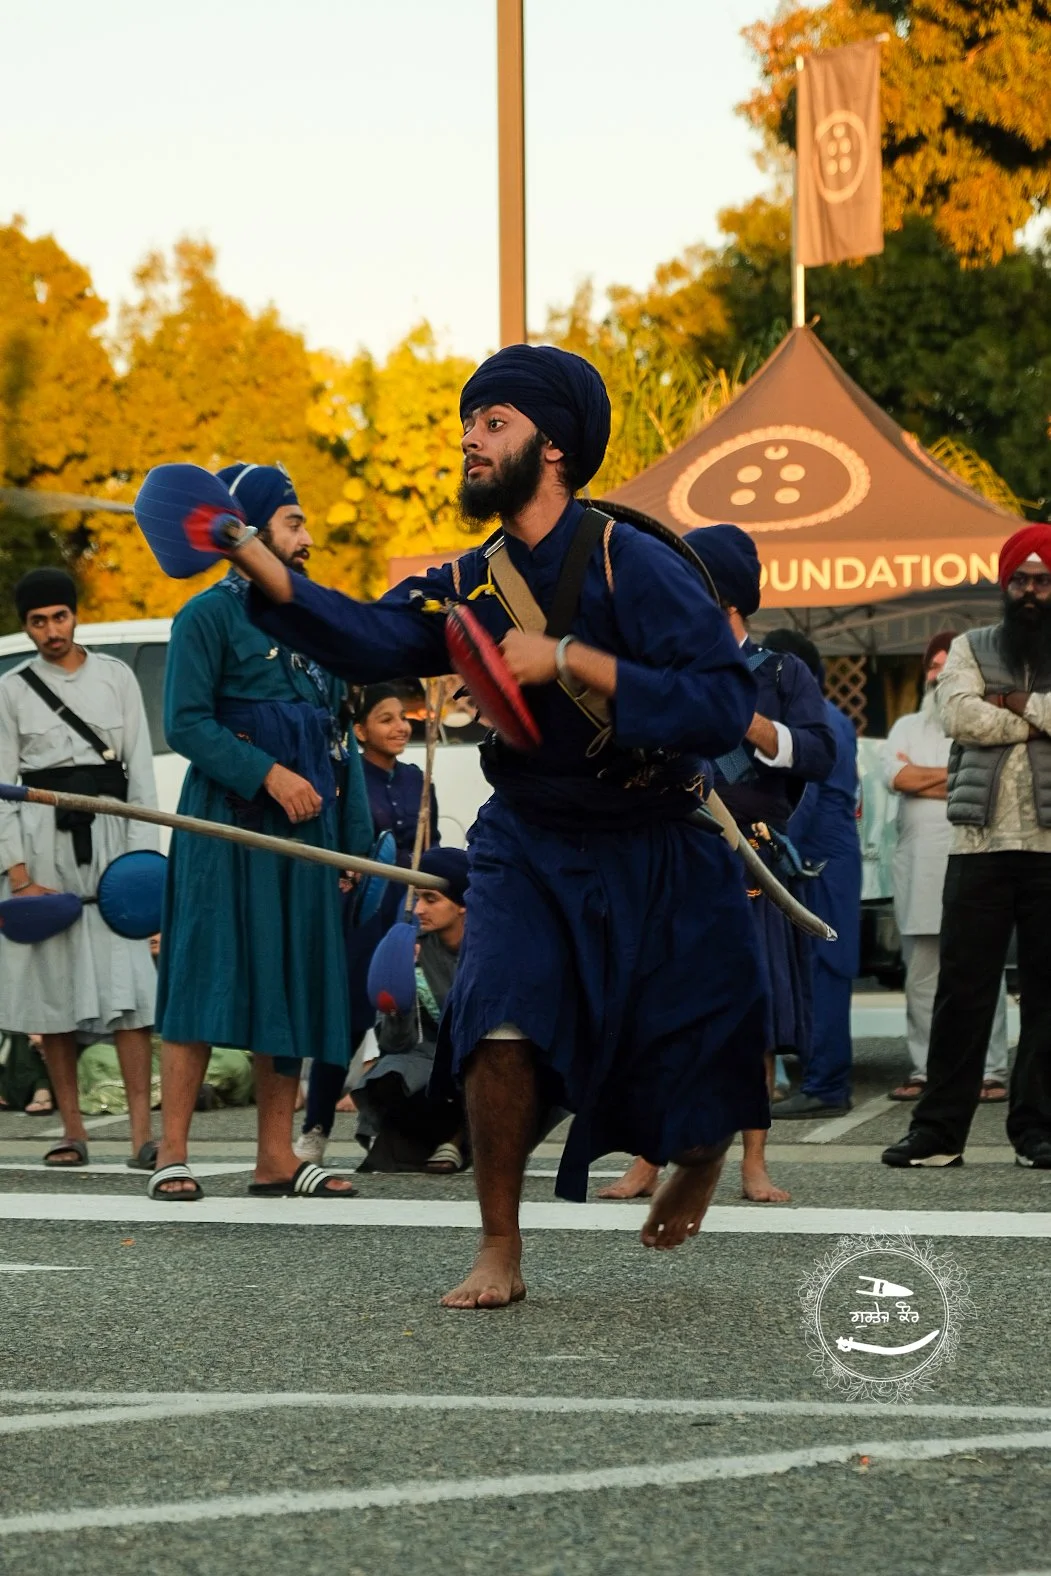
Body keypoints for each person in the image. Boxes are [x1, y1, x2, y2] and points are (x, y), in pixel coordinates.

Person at [231, 343, 771, 1308]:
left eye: (494, 424)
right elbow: (366, 634)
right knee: (495, 1025)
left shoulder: (633, 561)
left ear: (552, 448)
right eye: (468, 424)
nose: (469, 441)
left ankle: (696, 1154)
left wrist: (573, 660)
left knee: (695, 1050)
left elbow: (723, 707)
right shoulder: (465, 580)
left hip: (654, 829)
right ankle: (499, 1246)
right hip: (529, 834)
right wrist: (256, 564)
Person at [149, 463, 372, 1201]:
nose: (307, 540)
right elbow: (185, 722)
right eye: (294, 522)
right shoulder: (205, 617)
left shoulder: (317, 621)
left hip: (308, 840)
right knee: (203, 976)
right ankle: (171, 1154)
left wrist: (353, 841)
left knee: (292, 981)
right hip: (228, 830)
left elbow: (342, 740)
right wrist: (267, 774)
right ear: (246, 529)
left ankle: (276, 1156)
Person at [599, 533, 836, 1206]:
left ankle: (752, 1166)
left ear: (718, 596)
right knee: (654, 1017)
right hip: (669, 857)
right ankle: (647, 1162)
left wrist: (748, 722)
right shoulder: (655, 670)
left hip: (752, 863)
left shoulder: (783, 674)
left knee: (750, 1026)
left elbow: (818, 755)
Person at [882, 526, 1051, 1170]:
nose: (1030, 592)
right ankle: (938, 1132)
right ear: (1004, 585)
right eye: (1020, 581)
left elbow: (983, 714)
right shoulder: (970, 648)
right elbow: (957, 715)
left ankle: (1037, 1129)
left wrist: (1005, 701)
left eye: (1042, 580)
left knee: (1046, 992)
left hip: (1048, 847)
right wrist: (1037, 712)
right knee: (962, 987)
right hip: (978, 845)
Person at [0, 568, 159, 1169]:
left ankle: (144, 1135)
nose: (50, 631)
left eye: (58, 617)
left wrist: (143, 868)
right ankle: (73, 1131)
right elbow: (2, 786)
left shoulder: (116, 677)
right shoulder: (12, 690)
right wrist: (18, 873)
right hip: (44, 841)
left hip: (114, 832)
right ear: (26, 627)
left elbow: (141, 774)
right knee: (54, 991)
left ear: (74, 615)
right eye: (37, 621)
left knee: (131, 993)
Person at [294, 682, 442, 1163]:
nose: (400, 727)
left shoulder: (420, 779)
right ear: (359, 730)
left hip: (411, 914)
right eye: (385, 719)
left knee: (417, 1023)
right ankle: (316, 1128)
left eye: (403, 717)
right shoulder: (346, 780)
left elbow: (432, 848)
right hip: (363, 913)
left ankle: (425, 1131)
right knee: (351, 1020)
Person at [880, 631, 1010, 1103]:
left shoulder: (986, 724)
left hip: (976, 865)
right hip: (919, 872)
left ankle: (990, 1072)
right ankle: (923, 1071)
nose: (939, 675)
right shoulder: (905, 728)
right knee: (921, 978)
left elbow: (987, 782)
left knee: (981, 973)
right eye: (934, 666)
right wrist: (956, 778)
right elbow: (898, 777)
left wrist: (925, 780)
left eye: (948, 665)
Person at [766, 628, 862, 1119]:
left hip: (820, 860)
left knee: (824, 970)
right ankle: (823, 1079)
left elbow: (805, 801)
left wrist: (771, 850)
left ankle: (826, 1085)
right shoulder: (834, 719)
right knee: (819, 969)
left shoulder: (819, 724)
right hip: (828, 858)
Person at [355, 845, 469, 1173]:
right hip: (428, 1058)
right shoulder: (409, 944)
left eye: (431, 899)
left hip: (482, 1058)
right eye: (417, 898)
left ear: (462, 905)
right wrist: (398, 1001)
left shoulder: (491, 948)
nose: (419, 909)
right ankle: (442, 1138)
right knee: (387, 1077)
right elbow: (395, 1044)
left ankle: (461, 1139)